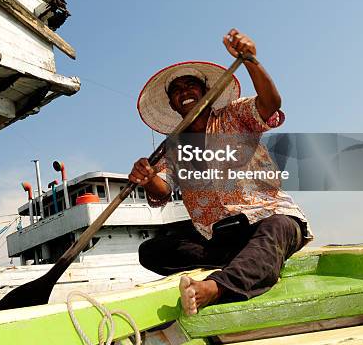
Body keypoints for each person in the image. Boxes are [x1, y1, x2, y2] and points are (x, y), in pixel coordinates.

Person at [129, 29, 312, 316]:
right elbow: (162, 190)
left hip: (268, 216)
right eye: (176, 91)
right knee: (151, 251)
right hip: (220, 237)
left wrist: (250, 59)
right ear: (173, 104)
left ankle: (215, 288)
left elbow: (270, 105)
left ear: (204, 93)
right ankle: (248, 262)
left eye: (191, 86)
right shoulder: (174, 146)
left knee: (278, 229)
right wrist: (147, 176)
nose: (184, 93)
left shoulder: (234, 115)